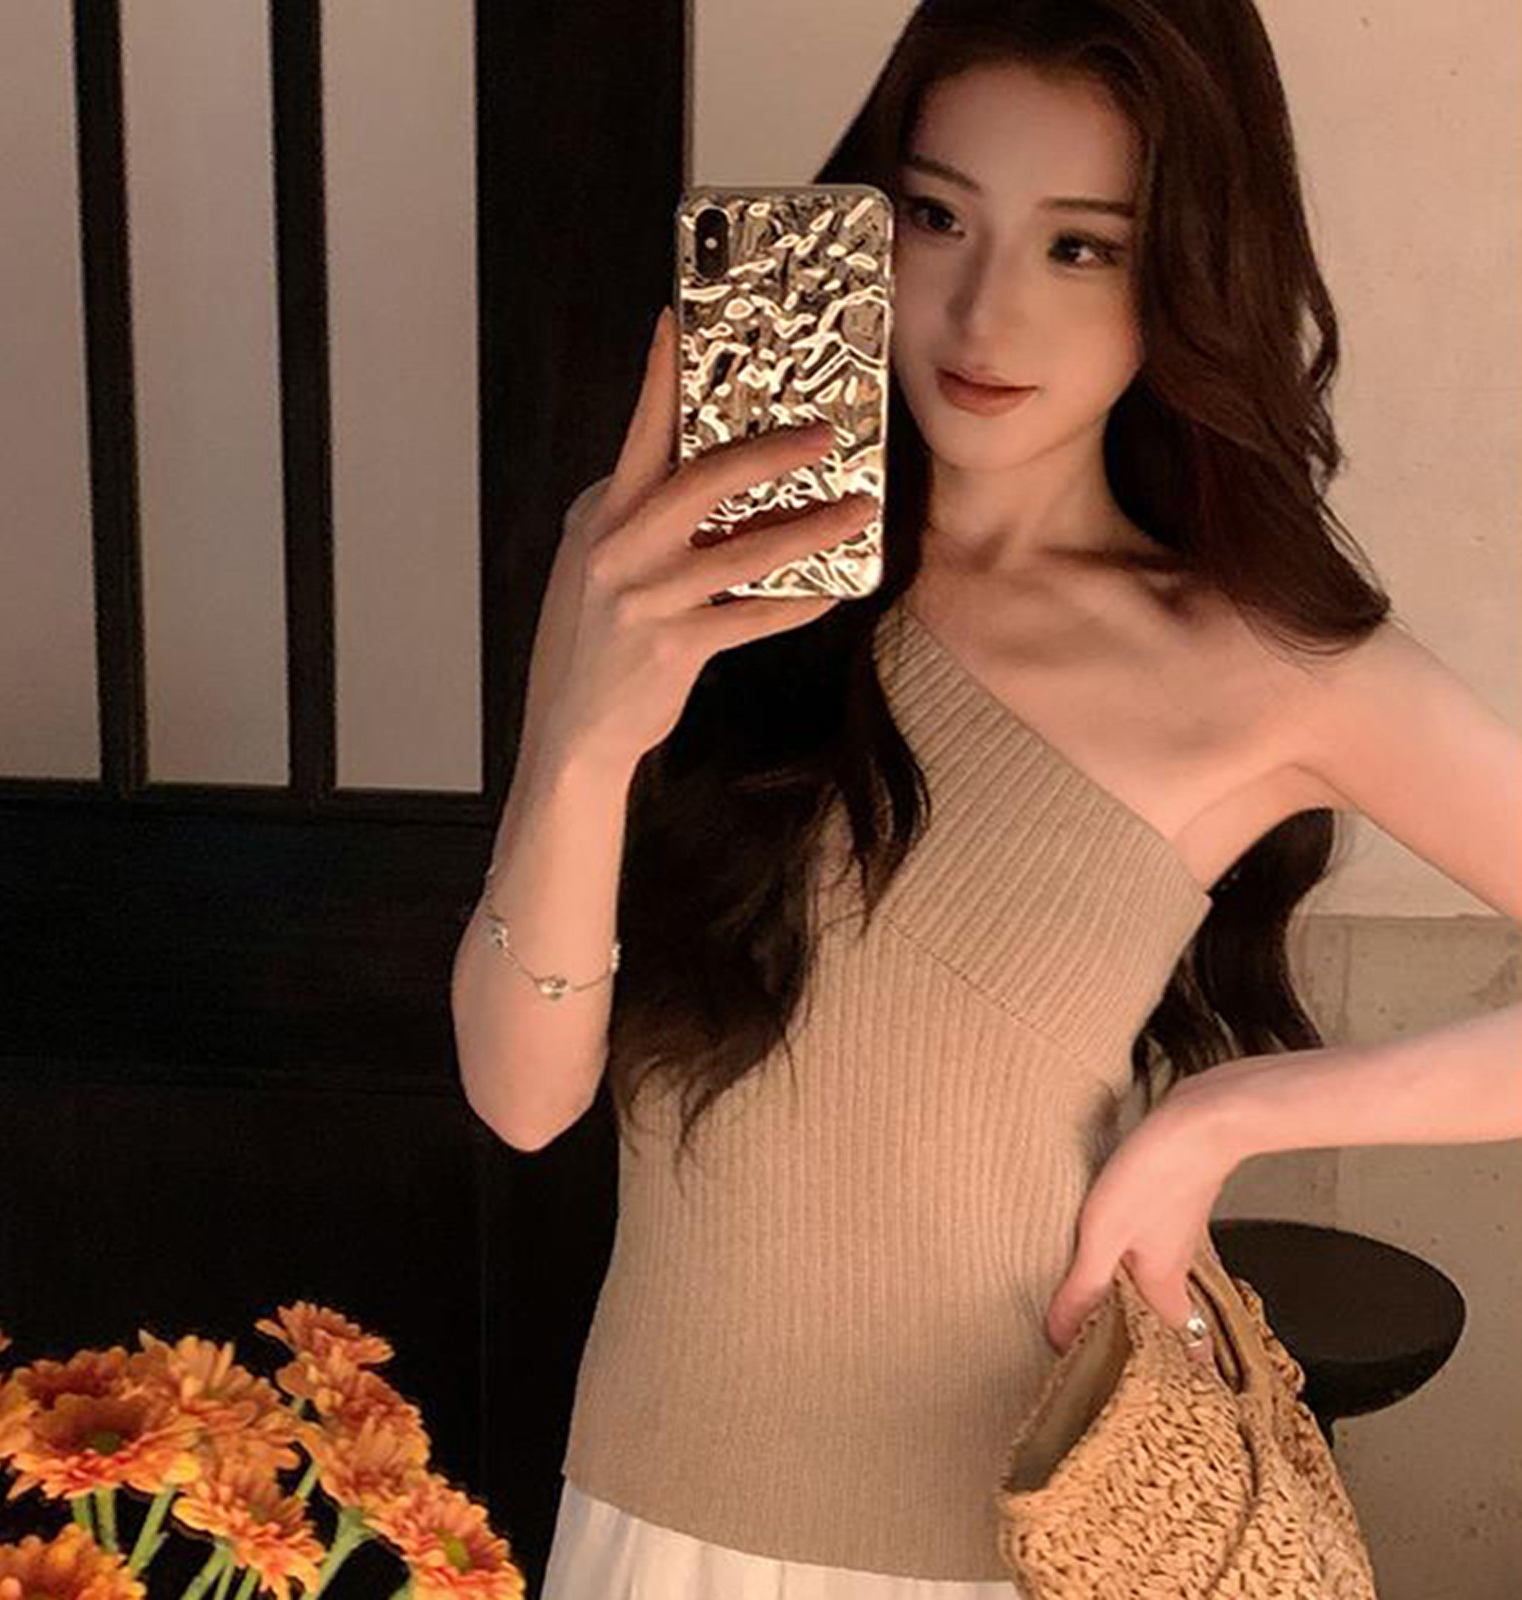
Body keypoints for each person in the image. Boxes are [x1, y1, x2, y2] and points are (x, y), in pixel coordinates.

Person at [452, 1, 1407, 1593]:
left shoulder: (1257, 662)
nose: (981, 309)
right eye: (937, 216)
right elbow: (522, 1096)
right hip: (658, 1511)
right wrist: (589, 742)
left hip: (1018, 1528)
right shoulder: (646, 562)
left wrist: (1224, 1119)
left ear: (1188, 272)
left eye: (1082, 246)